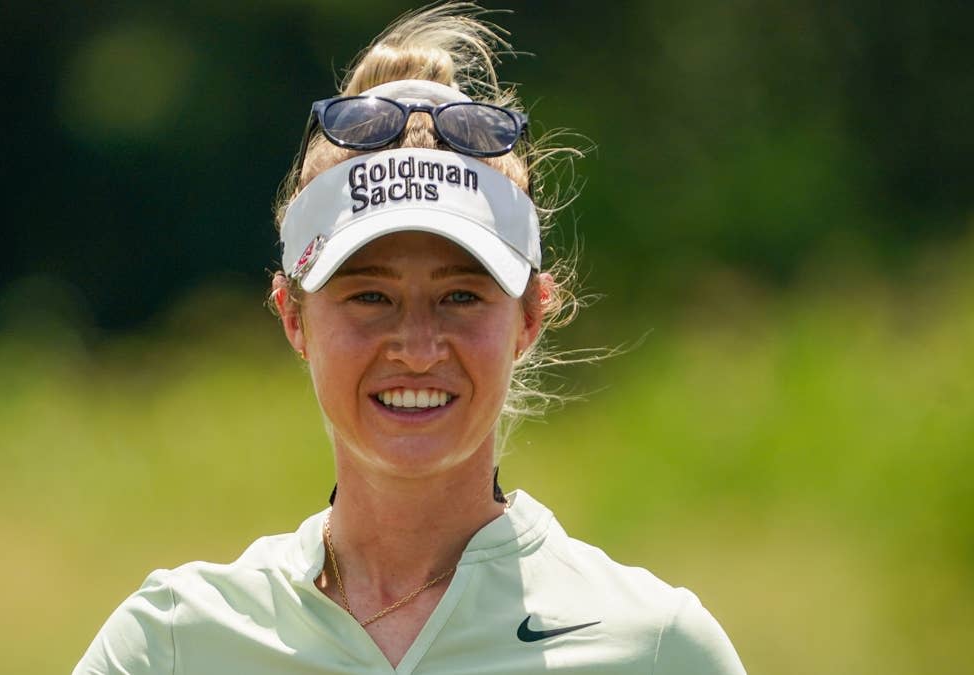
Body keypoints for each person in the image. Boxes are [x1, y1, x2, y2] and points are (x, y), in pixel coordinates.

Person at [72, 4, 746, 673]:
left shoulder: (655, 646)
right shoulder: (170, 643)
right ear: (292, 315)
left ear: (530, 317)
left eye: (461, 296)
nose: (419, 348)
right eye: (371, 296)